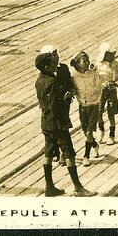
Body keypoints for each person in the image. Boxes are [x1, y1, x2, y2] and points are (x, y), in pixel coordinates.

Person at [35, 50, 95, 197]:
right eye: (53, 62)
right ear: (47, 67)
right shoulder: (52, 83)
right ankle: (78, 187)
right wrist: (65, 98)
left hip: (46, 122)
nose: (57, 64)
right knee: (69, 153)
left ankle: (49, 186)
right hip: (58, 123)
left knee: (48, 152)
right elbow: (56, 106)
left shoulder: (40, 80)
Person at [70, 51, 102, 167]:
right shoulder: (74, 77)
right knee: (85, 132)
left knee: (89, 132)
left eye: (87, 60)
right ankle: (94, 144)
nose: (87, 62)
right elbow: (72, 88)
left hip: (93, 105)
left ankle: (86, 156)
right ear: (77, 64)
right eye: (83, 61)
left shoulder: (93, 73)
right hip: (83, 107)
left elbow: (99, 84)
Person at [96, 42, 118, 145]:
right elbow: (95, 76)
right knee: (98, 111)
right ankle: (101, 130)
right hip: (101, 91)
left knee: (111, 112)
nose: (113, 54)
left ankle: (112, 134)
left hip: (111, 90)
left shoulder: (117, 65)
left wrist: (115, 84)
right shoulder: (98, 64)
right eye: (110, 53)